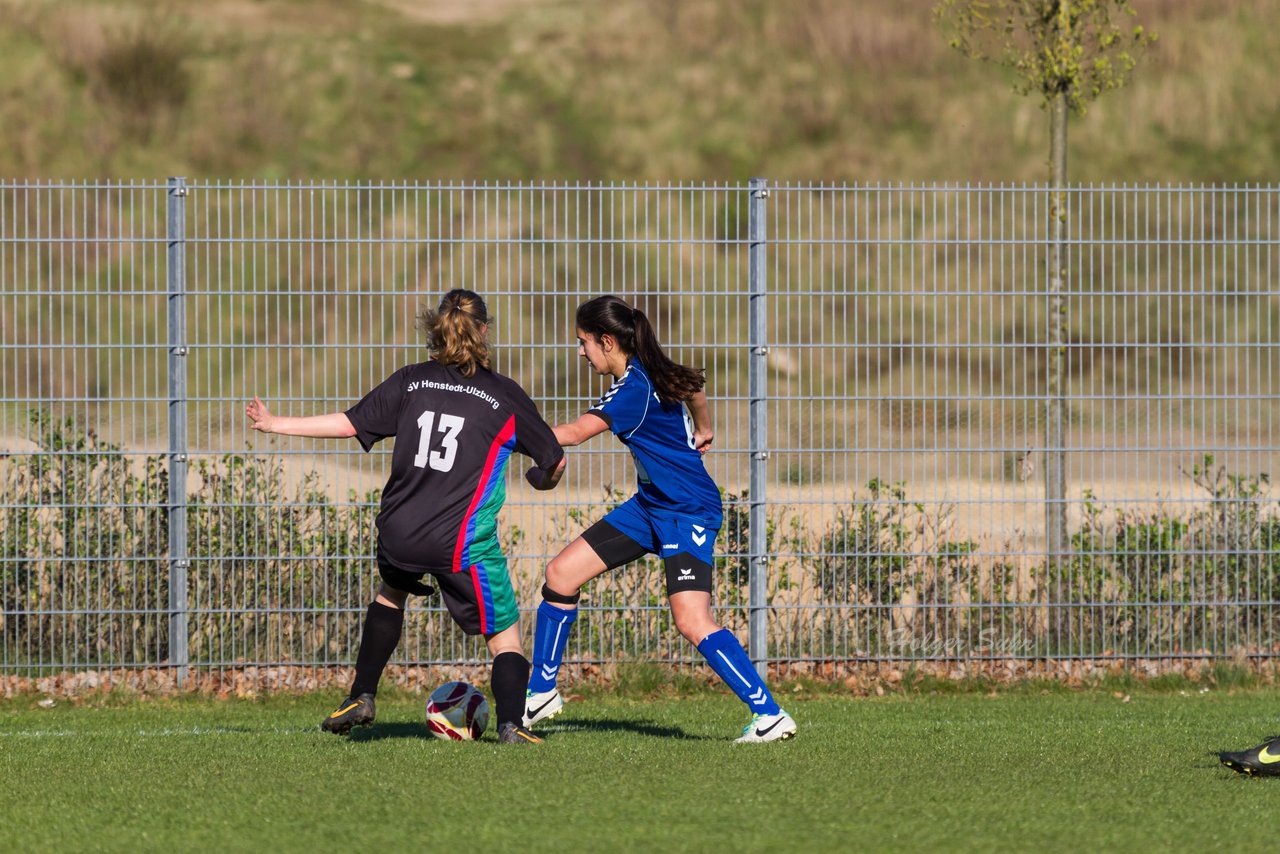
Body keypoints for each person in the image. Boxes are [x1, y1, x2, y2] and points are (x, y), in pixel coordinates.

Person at [245, 288, 564, 745]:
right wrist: (541, 478)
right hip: (460, 543)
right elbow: (554, 461)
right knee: (505, 637)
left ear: (437, 328)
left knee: (391, 594)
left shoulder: (412, 380)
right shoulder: (504, 396)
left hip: (399, 531)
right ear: (485, 331)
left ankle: (361, 694)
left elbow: (352, 422)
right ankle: (513, 725)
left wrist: (278, 423)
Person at [522, 295, 796, 743]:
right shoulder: (646, 369)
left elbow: (572, 434)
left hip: (686, 510)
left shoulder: (631, 391)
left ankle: (769, 715)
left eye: (583, 342)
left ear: (607, 342)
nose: (581, 352)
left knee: (691, 618)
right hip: (650, 506)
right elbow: (693, 387)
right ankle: (541, 693)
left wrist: (500, 431)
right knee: (561, 574)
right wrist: (704, 426)